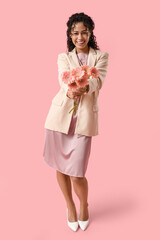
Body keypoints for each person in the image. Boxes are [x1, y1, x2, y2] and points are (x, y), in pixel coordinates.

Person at [43, 12, 109, 231]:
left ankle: (84, 204)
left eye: (84, 32)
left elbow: (97, 81)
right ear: (70, 35)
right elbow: (64, 78)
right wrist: (70, 91)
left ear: (90, 33)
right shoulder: (64, 57)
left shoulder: (101, 56)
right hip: (60, 117)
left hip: (84, 120)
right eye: (75, 33)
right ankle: (70, 206)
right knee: (60, 167)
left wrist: (85, 86)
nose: (80, 37)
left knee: (77, 172)